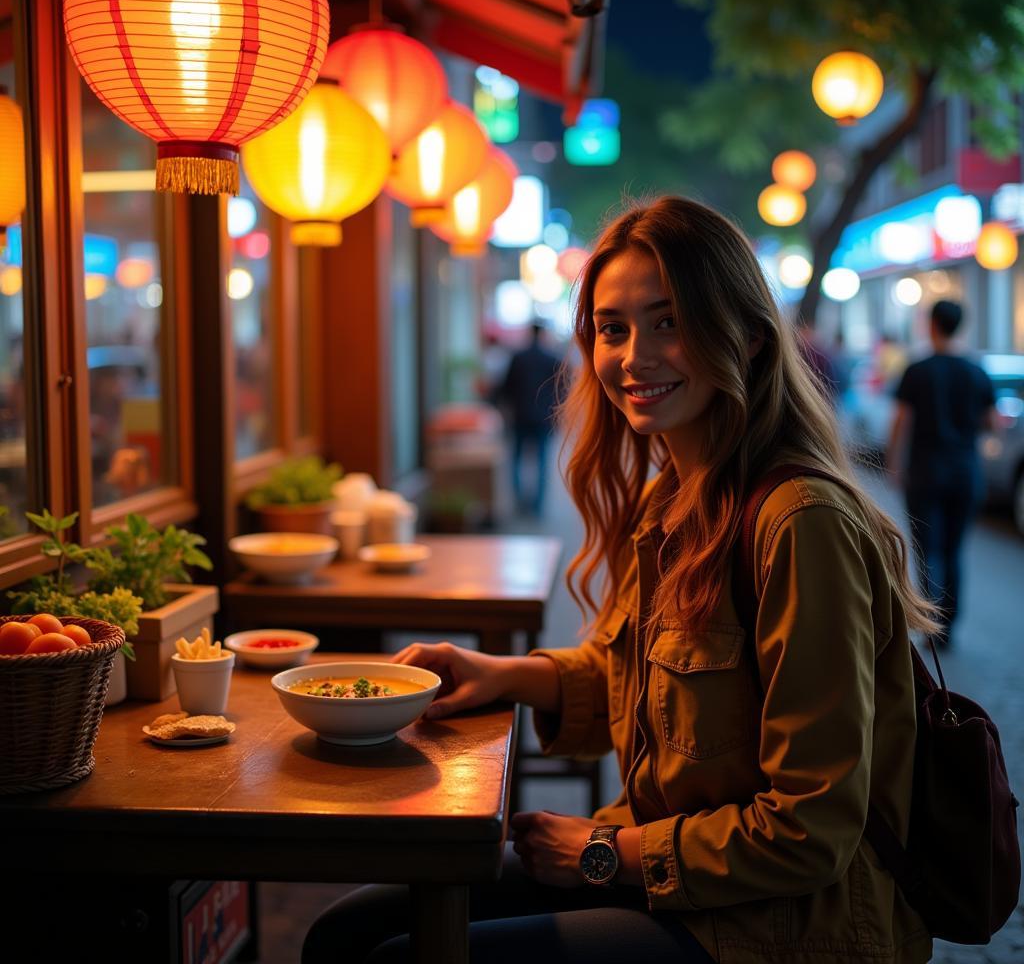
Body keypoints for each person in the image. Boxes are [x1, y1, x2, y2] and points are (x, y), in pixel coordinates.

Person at [303, 196, 938, 964]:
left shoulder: (801, 523)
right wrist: (501, 672)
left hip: (787, 924)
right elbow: (632, 672)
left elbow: (812, 831)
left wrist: (601, 854)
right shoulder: (671, 495)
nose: (636, 355)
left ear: (744, 334)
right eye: (613, 329)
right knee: (345, 931)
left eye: (669, 322)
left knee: (395, 955)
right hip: (679, 878)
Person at [887, 299, 998, 640]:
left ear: (932, 325)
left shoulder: (917, 369)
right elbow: (992, 422)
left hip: (924, 473)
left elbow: (901, 422)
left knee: (926, 550)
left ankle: (931, 620)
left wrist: (894, 464)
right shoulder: (976, 371)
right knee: (954, 549)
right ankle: (950, 625)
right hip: (965, 473)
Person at [493, 321, 563, 516]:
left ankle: (519, 502)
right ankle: (537, 506)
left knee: (516, 460)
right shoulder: (551, 359)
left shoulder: (518, 358)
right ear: (543, 334)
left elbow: (506, 387)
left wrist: (502, 407)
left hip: (520, 416)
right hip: (544, 418)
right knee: (542, 461)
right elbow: (561, 390)